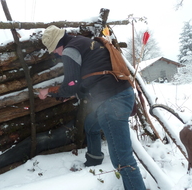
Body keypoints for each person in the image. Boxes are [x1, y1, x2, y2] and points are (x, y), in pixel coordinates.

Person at [38, 25, 146, 190]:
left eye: (54, 50)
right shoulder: (83, 42)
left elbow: (71, 85)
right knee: (91, 125)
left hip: (111, 103)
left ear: (59, 44)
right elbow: (84, 81)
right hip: (120, 95)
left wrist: (50, 93)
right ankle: (94, 160)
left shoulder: (69, 50)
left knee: (122, 160)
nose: (56, 54)